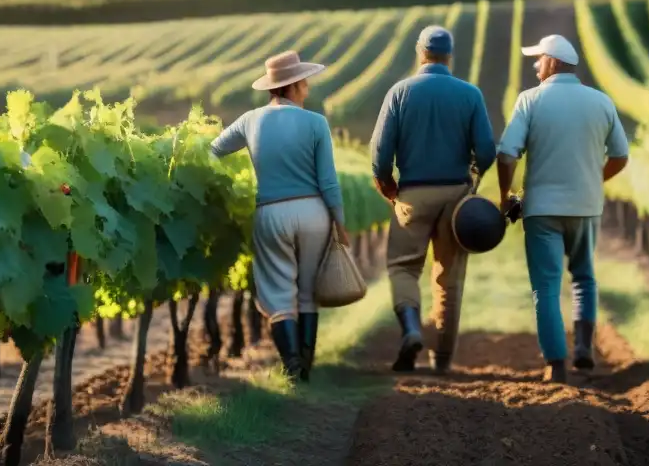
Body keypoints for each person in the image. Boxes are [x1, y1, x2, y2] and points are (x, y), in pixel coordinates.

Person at [496, 34, 629, 384]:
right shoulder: (601, 101)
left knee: (547, 286)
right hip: (586, 206)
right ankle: (584, 349)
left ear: (552, 61)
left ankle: (556, 365)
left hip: (541, 210)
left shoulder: (530, 101)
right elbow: (620, 156)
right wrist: (594, 180)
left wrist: (505, 194)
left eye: (538, 59)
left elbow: (507, 153)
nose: (535, 66)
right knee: (584, 277)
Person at [210, 50, 349, 383]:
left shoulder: (250, 120)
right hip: (313, 211)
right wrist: (339, 222)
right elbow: (328, 181)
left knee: (277, 294)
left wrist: (227, 187)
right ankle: (307, 370)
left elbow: (212, 151)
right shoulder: (317, 122)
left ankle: (291, 367)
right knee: (308, 293)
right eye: (305, 82)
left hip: (271, 212)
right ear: (296, 85)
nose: (308, 87)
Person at [370, 25, 496, 374]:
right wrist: (472, 179)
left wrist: (390, 189)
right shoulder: (470, 94)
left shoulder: (400, 92)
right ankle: (441, 360)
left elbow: (380, 155)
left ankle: (411, 329)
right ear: (449, 55)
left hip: (412, 193)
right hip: (455, 197)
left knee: (403, 267)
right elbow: (487, 151)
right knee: (449, 278)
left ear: (419, 51)